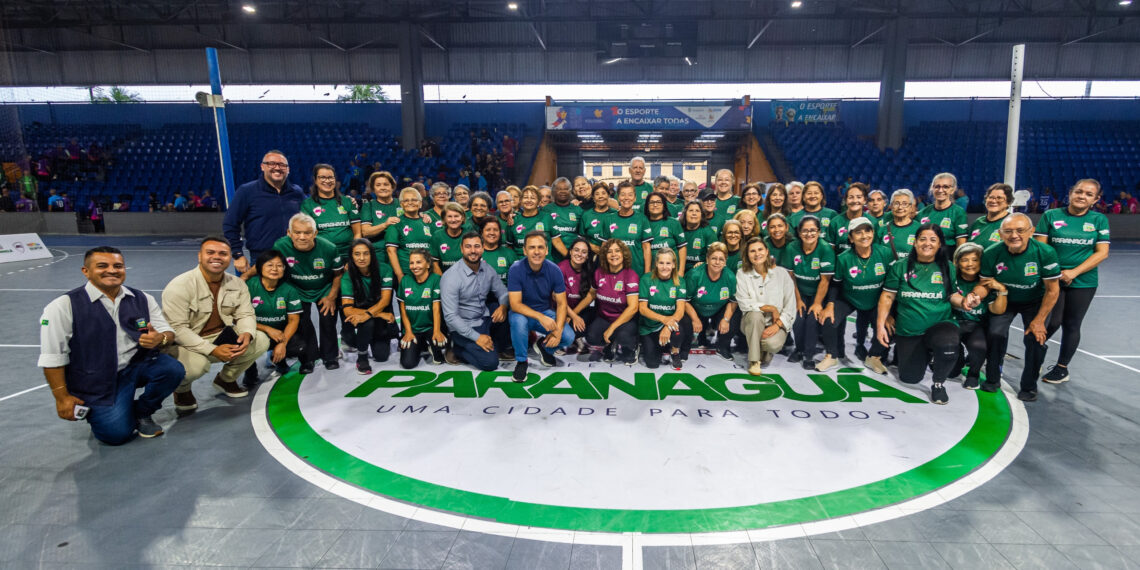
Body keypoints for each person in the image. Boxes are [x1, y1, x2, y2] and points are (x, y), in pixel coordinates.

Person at [38, 246, 184, 444]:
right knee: (115, 435)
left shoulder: (142, 298)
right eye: (102, 266)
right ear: (86, 271)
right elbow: (53, 357)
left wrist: (161, 339)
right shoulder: (62, 306)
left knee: (172, 369)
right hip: (95, 379)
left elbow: (167, 331)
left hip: (135, 366)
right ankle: (113, 411)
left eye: (118, 266)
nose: (112, 270)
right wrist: (62, 398)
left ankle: (142, 412)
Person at [162, 236, 269, 412]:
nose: (217, 257)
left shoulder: (236, 283)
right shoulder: (179, 286)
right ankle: (182, 390)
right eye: (210, 252)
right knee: (197, 366)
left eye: (223, 253)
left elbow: (245, 313)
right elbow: (178, 329)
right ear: (199, 256)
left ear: (229, 258)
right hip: (187, 342)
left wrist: (247, 333)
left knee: (261, 341)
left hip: (221, 336)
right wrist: (212, 350)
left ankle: (225, 379)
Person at [877, 224, 980, 405]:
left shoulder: (947, 267)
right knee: (909, 378)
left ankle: (938, 383)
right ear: (915, 242)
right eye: (922, 239)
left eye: (933, 239)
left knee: (948, 347)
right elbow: (887, 296)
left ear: (940, 244)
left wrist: (964, 302)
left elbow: (952, 295)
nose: (927, 243)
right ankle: (918, 352)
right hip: (910, 329)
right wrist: (880, 326)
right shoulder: (900, 267)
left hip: (940, 324)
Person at [1035, 179, 1111, 385]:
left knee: (1072, 324)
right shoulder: (1051, 215)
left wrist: (1074, 272)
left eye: (1088, 194)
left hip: (1084, 281)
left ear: (1095, 200)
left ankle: (1061, 368)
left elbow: (1102, 253)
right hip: (1053, 279)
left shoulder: (1099, 220)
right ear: (1070, 193)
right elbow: (1041, 248)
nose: (1082, 196)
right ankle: (1036, 354)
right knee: (1052, 321)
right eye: (1078, 191)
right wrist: (1056, 273)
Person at [980, 213, 1061, 401]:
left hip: (1034, 301)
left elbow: (1052, 291)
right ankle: (992, 379)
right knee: (995, 333)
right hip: (1004, 298)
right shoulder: (991, 253)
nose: (1014, 235)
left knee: (1036, 339)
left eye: (1020, 230)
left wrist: (1040, 321)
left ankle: (1029, 386)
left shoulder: (1045, 253)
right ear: (1000, 234)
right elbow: (985, 283)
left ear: (1031, 232)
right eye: (1008, 231)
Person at [818, 217, 895, 373]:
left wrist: (890, 312)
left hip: (875, 300)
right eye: (858, 232)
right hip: (849, 298)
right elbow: (836, 283)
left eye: (867, 230)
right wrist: (830, 305)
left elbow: (892, 285)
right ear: (851, 238)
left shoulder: (885, 253)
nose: (864, 235)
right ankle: (831, 356)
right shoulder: (843, 258)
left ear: (873, 233)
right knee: (828, 319)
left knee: (891, 326)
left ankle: (873, 357)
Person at [272, 214, 344, 370]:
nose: (302, 237)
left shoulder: (329, 248)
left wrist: (331, 296)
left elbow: (338, 274)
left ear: (315, 233)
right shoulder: (280, 246)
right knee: (302, 322)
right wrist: (246, 275)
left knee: (327, 320)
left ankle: (330, 357)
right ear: (289, 233)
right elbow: (269, 266)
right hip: (296, 289)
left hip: (324, 288)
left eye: (307, 232)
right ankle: (308, 359)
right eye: (297, 232)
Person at [507, 231, 576, 380]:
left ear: (547, 250)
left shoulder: (554, 270)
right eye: (532, 248)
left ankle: (545, 348)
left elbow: (562, 303)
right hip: (522, 313)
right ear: (525, 250)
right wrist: (541, 317)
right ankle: (521, 362)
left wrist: (557, 331)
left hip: (544, 311)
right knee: (518, 321)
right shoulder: (515, 269)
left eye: (540, 247)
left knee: (568, 336)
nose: (536, 252)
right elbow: (515, 305)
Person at [223, 150, 305, 273]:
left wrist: (340, 200)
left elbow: (314, 211)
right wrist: (237, 254)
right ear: (262, 166)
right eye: (272, 163)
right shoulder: (247, 191)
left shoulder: (297, 192)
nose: (277, 168)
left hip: (294, 256)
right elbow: (230, 224)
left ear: (288, 169)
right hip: (262, 258)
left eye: (282, 165)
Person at [242, 249, 313, 388]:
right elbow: (238, 318)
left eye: (279, 265)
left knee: (299, 346)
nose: (274, 269)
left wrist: (283, 344)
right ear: (260, 267)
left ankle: (282, 362)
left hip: (280, 333)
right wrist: (267, 329)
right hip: (256, 331)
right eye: (269, 265)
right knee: (240, 342)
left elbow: (293, 320)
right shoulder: (249, 286)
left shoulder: (289, 290)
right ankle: (250, 373)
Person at [441, 232, 511, 371]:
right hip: (464, 325)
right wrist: (477, 337)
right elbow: (451, 317)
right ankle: (457, 349)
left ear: (483, 248)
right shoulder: (451, 277)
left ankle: (491, 344)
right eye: (468, 247)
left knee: (509, 310)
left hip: (483, 317)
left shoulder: (487, 268)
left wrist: (503, 306)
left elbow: (503, 292)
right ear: (461, 249)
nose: (473, 251)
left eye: (477, 246)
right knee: (490, 363)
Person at [950, 242, 1006, 390]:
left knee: (979, 347)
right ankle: (958, 358)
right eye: (964, 260)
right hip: (953, 322)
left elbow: (997, 310)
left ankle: (973, 374)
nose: (970, 264)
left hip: (976, 325)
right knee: (952, 371)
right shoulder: (951, 279)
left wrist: (1002, 290)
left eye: (975, 260)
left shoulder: (988, 283)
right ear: (957, 262)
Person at [736, 237, 795, 375]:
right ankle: (754, 361)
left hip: (776, 322)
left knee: (772, 344)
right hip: (752, 322)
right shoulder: (742, 274)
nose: (757, 254)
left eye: (760, 249)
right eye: (752, 251)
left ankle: (762, 348)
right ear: (747, 255)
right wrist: (771, 308)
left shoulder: (782, 274)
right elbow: (744, 303)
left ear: (767, 251)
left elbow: (790, 306)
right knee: (755, 315)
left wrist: (778, 324)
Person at [782, 215, 836, 369]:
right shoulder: (792, 248)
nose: (809, 234)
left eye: (813, 230)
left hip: (818, 292)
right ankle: (799, 350)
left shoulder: (825, 249)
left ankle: (809, 355)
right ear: (799, 233)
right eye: (805, 231)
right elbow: (791, 277)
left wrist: (818, 303)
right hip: (799, 290)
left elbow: (825, 280)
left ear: (819, 232)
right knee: (798, 318)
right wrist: (798, 300)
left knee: (812, 319)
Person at [341, 239, 397, 375]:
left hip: (375, 315)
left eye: (366, 254)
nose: (361, 258)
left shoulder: (385, 269)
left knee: (382, 356)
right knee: (366, 321)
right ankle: (362, 357)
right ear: (351, 256)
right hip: (362, 318)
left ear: (372, 255)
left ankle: (370, 338)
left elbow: (385, 301)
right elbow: (347, 310)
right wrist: (376, 314)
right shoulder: (347, 276)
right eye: (357, 254)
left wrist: (369, 314)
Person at [587, 239, 641, 363]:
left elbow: (633, 308)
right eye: (609, 252)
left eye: (617, 251)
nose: (613, 254)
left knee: (624, 337)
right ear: (605, 256)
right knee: (592, 337)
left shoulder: (631, 275)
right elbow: (591, 296)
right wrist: (573, 314)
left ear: (624, 254)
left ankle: (633, 346)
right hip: (605, 317)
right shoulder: (599, 273)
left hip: (625, 319)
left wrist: (611, 328)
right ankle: (610, 344)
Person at [683, 242, 739, 360]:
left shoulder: (730, 277)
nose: (717, 262)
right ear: (707, 259)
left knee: (735, 317)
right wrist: (695, 319)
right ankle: (686, 345)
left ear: (725, 262)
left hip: (719, 308)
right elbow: (684, 300)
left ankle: (723, 346)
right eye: (714, 258)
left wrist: (726, 319)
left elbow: (733, 301)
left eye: (721, 259)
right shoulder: (694, 275)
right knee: (685, 320)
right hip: (696, 308)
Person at [638, 248, 690, 370]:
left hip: (671, 324)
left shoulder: (680, 281)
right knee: (652, 364)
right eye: (661, 263)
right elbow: (642, 309)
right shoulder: (646, 279)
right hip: (650, 326)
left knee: (680, 328)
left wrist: (668, 326)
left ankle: (674, 351)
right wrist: (664, 319)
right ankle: (651, 345)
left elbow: (680, 310)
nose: (664, 267)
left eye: (668, 263)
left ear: (673, 265)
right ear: (656, 264)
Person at [396, 249, 446, 368]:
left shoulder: (435, 279)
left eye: (418, 262)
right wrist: (408, 332)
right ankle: (421, 345)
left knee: (440, 347)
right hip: (413, 329)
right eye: (411, 263)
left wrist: (437, 331)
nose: (414, 266)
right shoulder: (405, 280)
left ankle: (433, 347)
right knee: (408, 364)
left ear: (428, 264)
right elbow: (403, 310)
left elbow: (436, 309)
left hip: (430, 327)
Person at [300, 163, 361, 261]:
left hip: (348, 255)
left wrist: (354, 257)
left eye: (330, 177)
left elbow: (357, 233)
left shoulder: (348, 202)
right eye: (322, 177)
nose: (327, 181)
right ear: (315, 180)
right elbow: (307, 235)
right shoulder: (307, 205)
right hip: (322, 255)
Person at [602, 181, 653, 274]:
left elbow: (646, 248)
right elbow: (604, 247)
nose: (626, 198)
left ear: (635, 198)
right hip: (614, 272)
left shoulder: (642, 219)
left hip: (637, 271)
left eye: (630, 195)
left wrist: (647, 274)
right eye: (623, 194)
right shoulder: (608, 219)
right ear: (617, 197)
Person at [384, 187, 435, 282]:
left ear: (420, 204)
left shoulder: (427, 222)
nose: (410, 202)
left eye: (414, 200)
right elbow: (391, 251)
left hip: (428, 273)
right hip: (406, 274)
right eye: (406, 200)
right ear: (401, 204)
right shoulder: (396, 224)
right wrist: (400, 275)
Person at [558, 238, 596, 355]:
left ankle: (576, 337)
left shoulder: (590, 269)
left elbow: (590, 296)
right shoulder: (561, 268)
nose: (579, 254)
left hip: (576, 309)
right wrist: (572, 315)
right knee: (566, 330)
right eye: (576, 250)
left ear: (587, 256)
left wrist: (574, 315)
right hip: (559, 309)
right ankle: (555, 341)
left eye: (584, 252)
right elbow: (557, 299)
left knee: (594, 318)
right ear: (570, 251)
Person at [917, 173, 969, 255]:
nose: (940, 190)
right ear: (932, 188)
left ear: (952, 189)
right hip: (925, 261)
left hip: (947, 261)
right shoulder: (922, 213)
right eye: (937, 186)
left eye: (945, 187)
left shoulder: (958, 212)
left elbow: (961, 245)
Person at [644, 191, 687, 275]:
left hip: (672, 272)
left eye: (658, 202)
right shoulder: (643, 223)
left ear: (664, 205)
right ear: (647, 206)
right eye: (652, 202)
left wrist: (681, 272)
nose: (655, 205)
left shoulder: (673, 223)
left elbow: (682, 248)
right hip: (652, 272)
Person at [506, 186, 555, 258]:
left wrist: (568, 256)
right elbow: (509, 247)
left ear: (538, 201)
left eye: (532, 198)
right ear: (521, 200)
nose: (529, 200)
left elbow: (557, 241)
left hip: (544, 263)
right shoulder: (513, 220)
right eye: (526, 197)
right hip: (521, 264)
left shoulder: (547, 218)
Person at [360, 171, 402, 251]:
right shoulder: (368, 206)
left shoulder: (402, 203)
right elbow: (365, 232)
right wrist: (385, 224)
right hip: (378, 253)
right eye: (378, 185)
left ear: (392, 186)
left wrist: (424, 215)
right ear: (373, 189)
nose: (382, 188)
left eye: (386, 184)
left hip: (401, 250)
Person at [825, 183, 868, 255]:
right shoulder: (835, 222)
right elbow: (829, 252)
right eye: (851, 197)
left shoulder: (872, 222)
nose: (854, 201)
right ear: (845, 200)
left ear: (865, 200)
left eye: (859, 197)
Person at [545, 177, 581, 261]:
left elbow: (582, 235)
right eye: (559, 189)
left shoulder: (578, 210)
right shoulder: (546, 210)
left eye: (566, 189)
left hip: (574, 257)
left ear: (570, 191)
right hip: (552, 258)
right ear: (553, 191)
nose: (563, 192)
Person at [880, 189, 920, 260]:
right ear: (891, 206)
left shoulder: (920, 229)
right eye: (896, 203)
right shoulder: (882, 229)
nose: (900, 207)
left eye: (904, 204)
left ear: (910, 207)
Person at [431, 202, 468, 274]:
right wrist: (443, 282)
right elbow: (435, 264)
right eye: (449, 216)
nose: (453, 220)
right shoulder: (437, 236)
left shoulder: (469, 235)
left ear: (462, 217)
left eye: (456, 216)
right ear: (444, 219)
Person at [579, 182, 615, 255]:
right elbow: (581, 238)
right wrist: (593, 247)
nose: (600, 196)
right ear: (593, 197)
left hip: (613, 255)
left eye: (603, 193)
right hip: (591, 256)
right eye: (597, 194)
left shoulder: (615, 214)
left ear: (608, 195)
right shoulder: (586, 215)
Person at [681, 201, 717, 270]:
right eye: (691, 210)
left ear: (701, 215)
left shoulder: (709, 233)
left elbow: (715, 256)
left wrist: (704, 263)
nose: (694, 213)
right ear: (685, 214)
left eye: (697, 211)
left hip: (699, 270)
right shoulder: (679, 229)